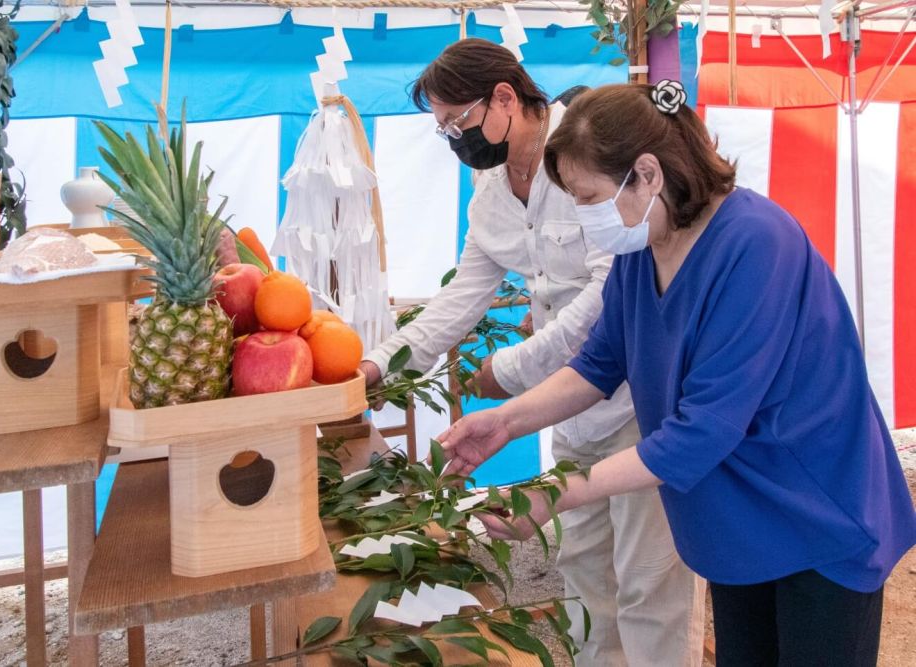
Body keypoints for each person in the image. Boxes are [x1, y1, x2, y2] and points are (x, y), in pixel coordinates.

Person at [438, 80, 916, 666]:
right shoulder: (643, 249)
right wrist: (506, 422)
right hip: (735, 516)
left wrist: (553, 494)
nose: (586, 219)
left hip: (813, 509)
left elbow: (700, 432)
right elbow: (599, 363)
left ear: (646, 174)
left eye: (588, 198)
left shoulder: (756, 244)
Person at [360, 40, 704, 666]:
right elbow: (461, 297)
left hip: (635, 398)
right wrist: (380, 364)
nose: (454, 138)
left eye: (457, 121)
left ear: (505, 98)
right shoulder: (490, 194)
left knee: (650, 576)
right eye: (442, 130)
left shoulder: (590, 159)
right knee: (585, 570)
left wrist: (511, 372)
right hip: (568, 408)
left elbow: (605, 305)